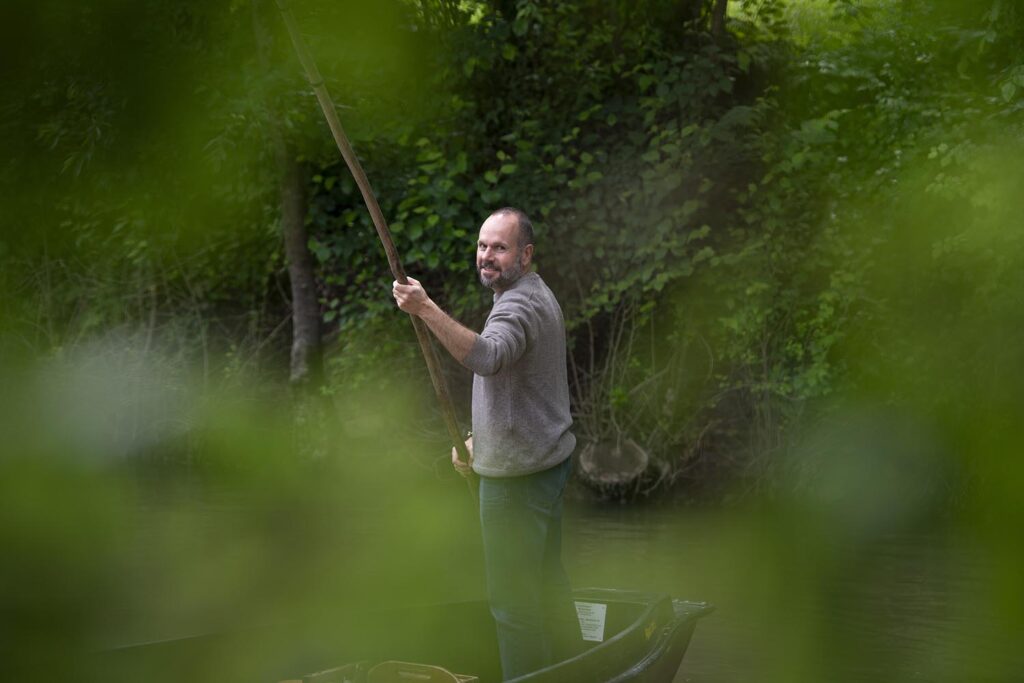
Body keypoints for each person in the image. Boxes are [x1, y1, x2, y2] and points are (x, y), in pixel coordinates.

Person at [391, 207, 577, 680]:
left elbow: (490, 357)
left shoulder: (518, 304)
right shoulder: (532, 292)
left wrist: (424, 308)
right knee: (547, 587)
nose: (486, 256)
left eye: (499, 247)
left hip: (519, 482)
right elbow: (523, 384)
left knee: (513, 607)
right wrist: (480, 440)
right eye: (482, 246)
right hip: (547, 463)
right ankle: (580, 670)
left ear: (526, 254)